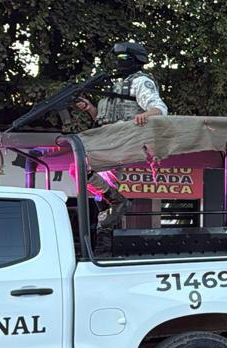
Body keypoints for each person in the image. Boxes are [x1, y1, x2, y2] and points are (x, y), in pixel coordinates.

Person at [73, 42, 170, 228]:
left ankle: (116, 204)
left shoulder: (141, 82)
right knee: (81, 173)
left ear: (136, 60)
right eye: (117, 58)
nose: (119, 62)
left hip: (121, 143)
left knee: (84, 171)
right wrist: (90, 108)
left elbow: (160, 109)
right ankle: (114, 205)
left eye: (124, 58)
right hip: (106, 141)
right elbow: (103, 121)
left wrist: (144, 115)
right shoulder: (117, 85)